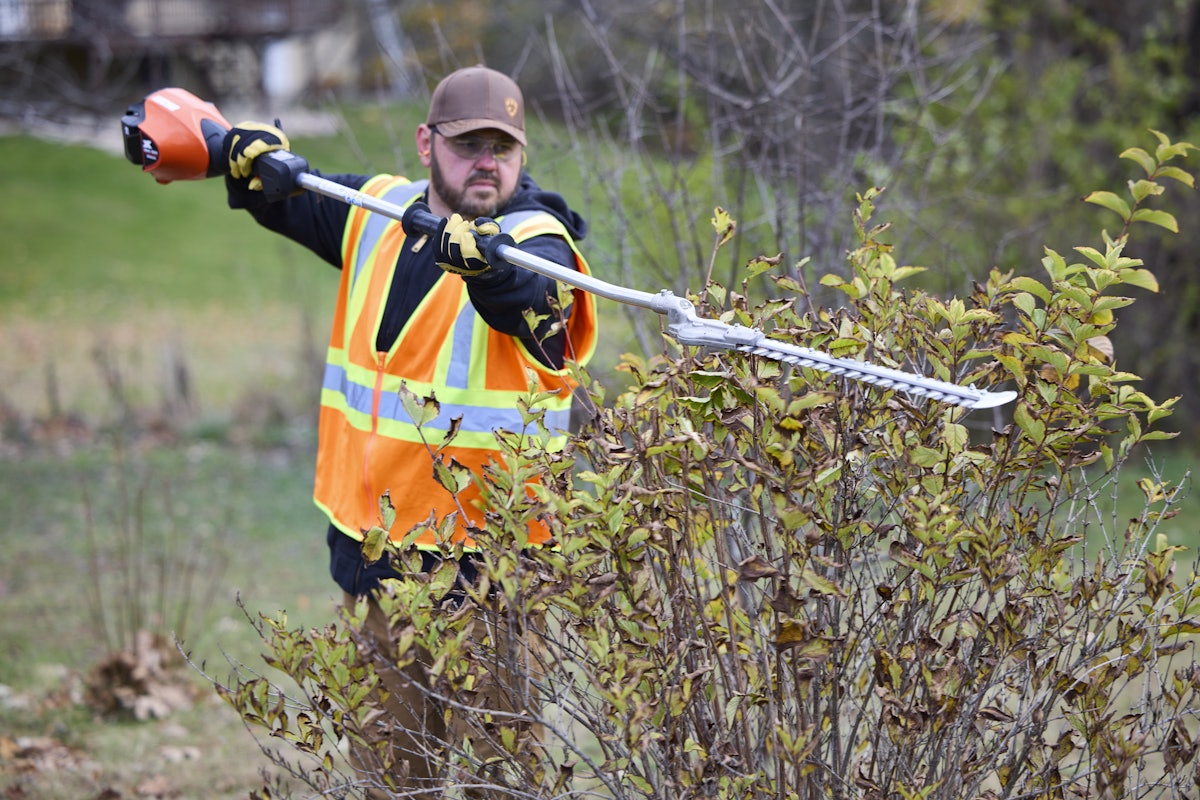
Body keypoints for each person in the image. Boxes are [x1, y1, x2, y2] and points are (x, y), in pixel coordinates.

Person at [222, 65, 598, 796]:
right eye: (468, 144)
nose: (487, 161)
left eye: (503, 147)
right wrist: (246, 159)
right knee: (391, 778)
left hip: (488, 582)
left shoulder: (533, 241)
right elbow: (293, 196)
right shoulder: (380, 212)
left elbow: (536, 295)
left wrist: (489, 273)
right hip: (378, 566)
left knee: (503, 780)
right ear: (427, 144)